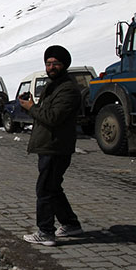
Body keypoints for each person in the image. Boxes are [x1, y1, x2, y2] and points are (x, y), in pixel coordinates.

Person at [18, 45, 83, 246]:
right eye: (48, 63)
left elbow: (53, 118)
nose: (51, 67)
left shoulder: (68, 89)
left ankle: (46, 231)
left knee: (45, 189)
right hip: (49, 144)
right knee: (53, 188)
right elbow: (45, 114)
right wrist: (32, 108)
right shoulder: (53, 85)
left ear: (64, 65)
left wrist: (32, 107)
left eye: (55, 63)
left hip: (56, 147)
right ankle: (71, 224)